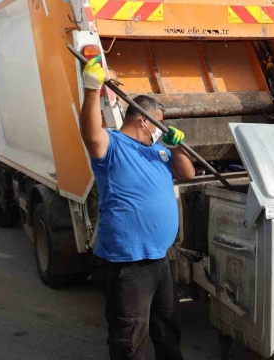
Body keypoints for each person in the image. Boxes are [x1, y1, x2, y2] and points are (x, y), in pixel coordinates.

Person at [79, 55, 195, 360]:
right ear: (144, 119)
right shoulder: (113, 144)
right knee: (130, 337)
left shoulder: (159, 150)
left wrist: (175, 145)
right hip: (128, 263)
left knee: (167, 327)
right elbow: (90, 135)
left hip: (159, 259)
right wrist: (92, 89)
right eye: (160, 123)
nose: (161, 130)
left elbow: (187, 174)